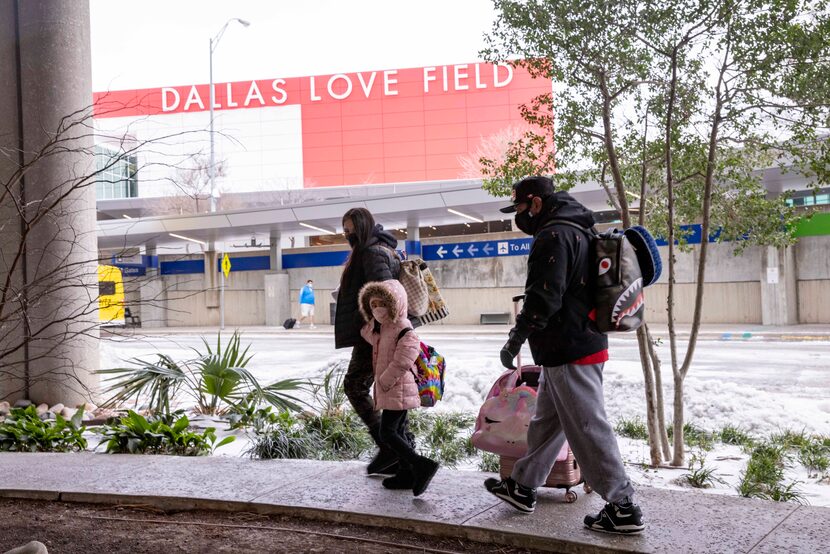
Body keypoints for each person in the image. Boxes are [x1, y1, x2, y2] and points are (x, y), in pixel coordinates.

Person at [483, 176, 645, 535]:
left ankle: (622, 506)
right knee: (549, 420)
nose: (519, 218)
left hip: (571, 346)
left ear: (536, 203)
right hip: (573, 342)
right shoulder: (578, 228)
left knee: (588, 426)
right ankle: (522, 486)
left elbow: (544, 297)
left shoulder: (553, 235)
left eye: (521, 209)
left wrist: (516, 338)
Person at [335, 207, 412, 477]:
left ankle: (393, 447)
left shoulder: (372, 252)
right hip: (374, 333)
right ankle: (398, 448)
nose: (347, 235)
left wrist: (378, 332)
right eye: (344, 231)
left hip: (375, 334)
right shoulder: (378, 249)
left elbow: (386, 293)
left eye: (350, 230)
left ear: (363, 227)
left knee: (355, 386)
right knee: (384, 391)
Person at [358, 279, 439, 495]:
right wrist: (367, 315)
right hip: (392, 389)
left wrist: (384, 381)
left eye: (381, 303)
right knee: (399, 431)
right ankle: (406, 474)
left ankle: (421, 465)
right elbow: (366, 333)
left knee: (388, 433)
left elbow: (404, 359)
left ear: (395, 304)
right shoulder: (383, 328)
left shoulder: (404, 328)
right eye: (373, 305)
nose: (377, 309)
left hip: (397, 387)